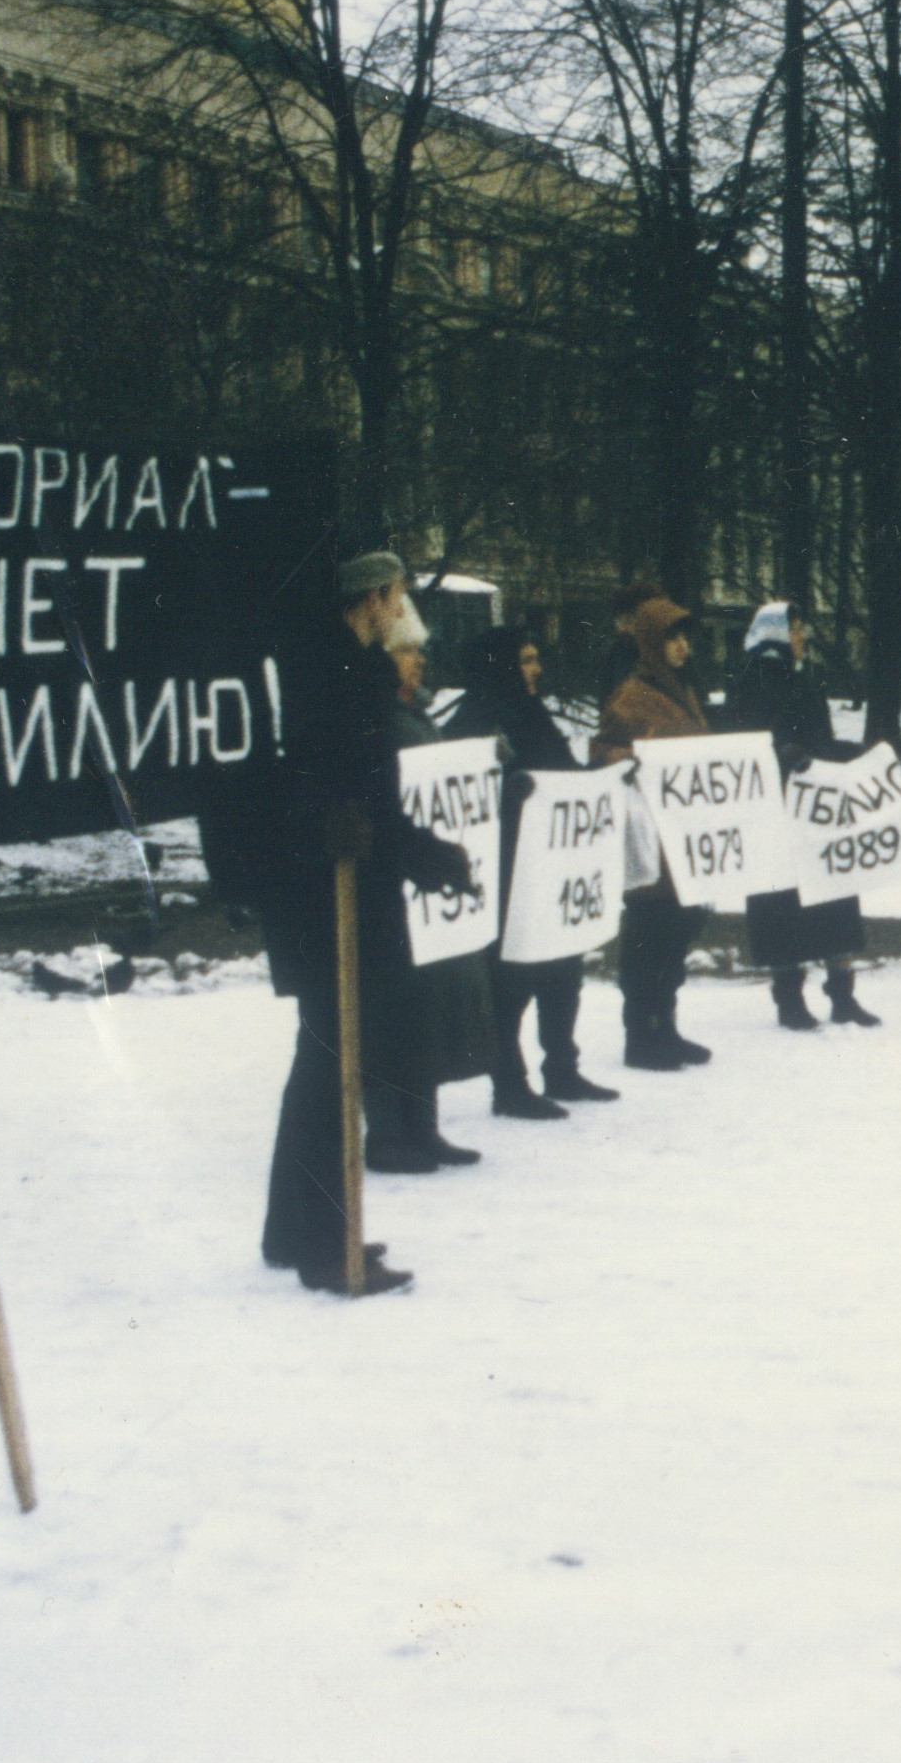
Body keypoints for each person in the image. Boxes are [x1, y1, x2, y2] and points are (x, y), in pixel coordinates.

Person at [231, 551, 475, 1297]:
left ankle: (291, 1227)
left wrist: (416, 851)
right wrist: (418, 851)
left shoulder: (338, 668)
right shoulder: (332, 674)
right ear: (372, 597)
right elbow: (327, 787)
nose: (402, 606)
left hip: (334, 888)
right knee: (334, 1065)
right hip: (328, 896)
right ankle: (323, 1241)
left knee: (323, 1058)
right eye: (395, 593)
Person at [443, 625, 620, 1118]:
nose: (536, 668)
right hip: (507, 877)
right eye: (525, 659)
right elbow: (460, 796)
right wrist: (509, 793)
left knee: (564, 971)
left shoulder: (532, 713)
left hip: (549, 869)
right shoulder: (472, 720)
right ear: (500, 665)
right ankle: (510, 1084)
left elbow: (560, 776)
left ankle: (562, 1068)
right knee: (511, 984)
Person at [361, 625, 492, 1172]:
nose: (418, 660)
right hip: (397, 879)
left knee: (426, 1007)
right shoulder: (380, 717)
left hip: (424, 880)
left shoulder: (415, 713)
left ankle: (423, 1126)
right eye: (407, 650)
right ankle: (389, 1133)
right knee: (395, 1009)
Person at [727, 601, 881, 1026]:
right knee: (780, 906)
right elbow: (742, 747)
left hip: (816, 809)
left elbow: (821, 742)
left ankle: (842, 995)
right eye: (795, 629)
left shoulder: (807, 679)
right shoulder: (749, 681)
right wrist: (781, 756)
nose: (802, 637)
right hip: (773, 811)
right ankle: (789, 998)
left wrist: (857, 754)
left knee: (834, 893)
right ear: (774, 633)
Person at [596, 585, 718, 1065]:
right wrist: (625, 758)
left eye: (684, 637)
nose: (682, 646)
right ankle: (640, 1034)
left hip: (682, 841)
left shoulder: (684, 692)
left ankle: (665, 1025)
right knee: (649, 937)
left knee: (674, 936)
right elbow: (603, 748)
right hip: (649, 843)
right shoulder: (633, 695)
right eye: (671, 639)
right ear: (651, 642)